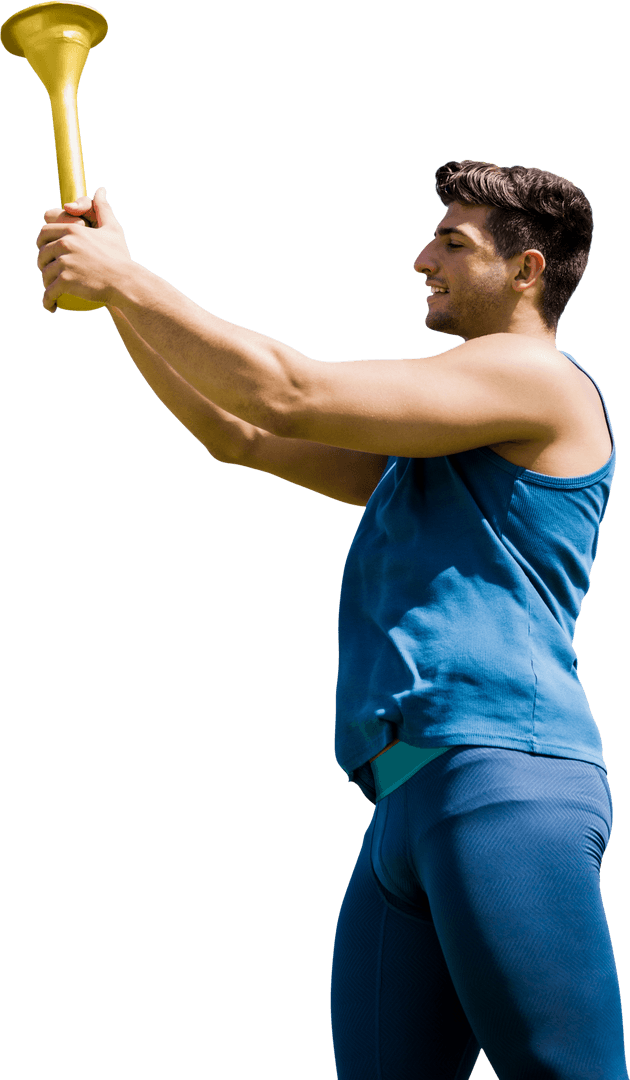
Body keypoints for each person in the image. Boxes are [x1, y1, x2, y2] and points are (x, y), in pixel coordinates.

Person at [35, 160, 627, 1079]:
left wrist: (125, 278)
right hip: (405, 805)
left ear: (528, 271)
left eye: (452, 241)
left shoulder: (537, 381)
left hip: (503, 777)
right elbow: (241, 434)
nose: (421, 256)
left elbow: (289, 390)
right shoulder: (436, 450)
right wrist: (119, 295)